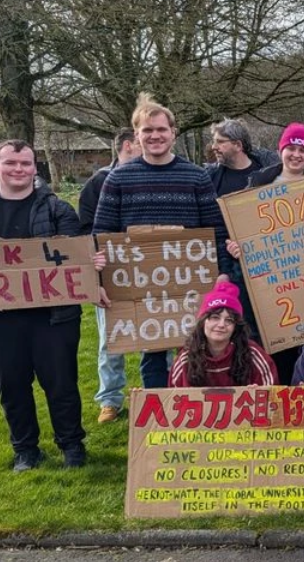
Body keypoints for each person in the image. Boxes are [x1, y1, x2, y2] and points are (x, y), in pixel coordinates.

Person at [0, 140, 106, 471]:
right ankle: (25, 450)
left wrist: (89, 261)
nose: (19, 169)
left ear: (34, 168)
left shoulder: (57, 209)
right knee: (11, 386)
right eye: (11, 163)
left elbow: (76, 253)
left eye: (26, 163)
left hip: (53, 318)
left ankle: (71, 446)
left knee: (61, 383)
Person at [93, 92, 234, 389]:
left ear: (173, 133)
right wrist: (99, 280)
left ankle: (195, 413)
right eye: (148, 130)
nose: (155, 136)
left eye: (161, 129)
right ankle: (157, 416)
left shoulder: (196, 177)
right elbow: (101, 235)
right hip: (141, 285)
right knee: (153, 356)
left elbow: (217, 230)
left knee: (197, 350)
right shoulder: (117, 179)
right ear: (136, 136)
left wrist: (222, 272)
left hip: (192, 282)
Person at [224, 122, 304, 385]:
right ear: (281, 150)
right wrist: (237, 247)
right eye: (290, 148)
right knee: (272, 342)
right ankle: (275, 393)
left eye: (303, 150)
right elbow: (244, 228)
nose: (296, 155)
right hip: (271, 282)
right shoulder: (258, 182)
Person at [78, 128, 138, 424]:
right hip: (111, 274)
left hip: (155, 272)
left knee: (165, 333)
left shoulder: (152, 176)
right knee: (111, 340)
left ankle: (162, 391)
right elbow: (85, 230)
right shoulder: (98, 182)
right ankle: (110, 399)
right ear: (128, 145)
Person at [168, 281, 278, 387]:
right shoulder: (185, 358)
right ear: (203, 321)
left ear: (236, 326)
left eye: (229, 320)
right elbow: (172, 399)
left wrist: (260, 394)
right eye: (215, 317)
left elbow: (274, 396)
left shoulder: (253, 354)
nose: (221, 325)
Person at [205, 118, 278, 197]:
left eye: (220, 142)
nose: (213, 147)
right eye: (214, 142)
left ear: (238, 145)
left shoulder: (271, 171)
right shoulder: (210, 178)